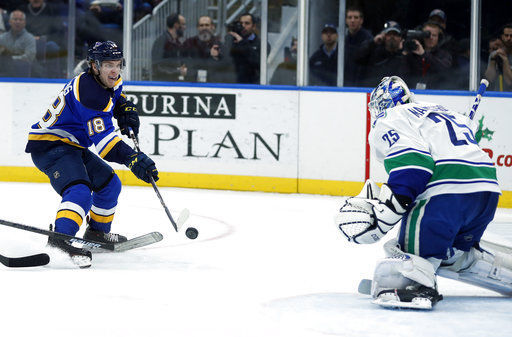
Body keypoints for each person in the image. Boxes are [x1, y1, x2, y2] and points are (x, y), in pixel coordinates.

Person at [335, 76, 509, 309]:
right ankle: (488, 265)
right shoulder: (444, 113)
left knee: (406, 251)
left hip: (447, 194)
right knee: (450, 252)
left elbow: (415, 167)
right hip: (487, 193)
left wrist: (386, 213)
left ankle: (413, 281)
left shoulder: (392, 117)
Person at [25, 41, 159, 268]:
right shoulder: (89, 94)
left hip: (72, 146)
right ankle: (61, 238)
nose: (114, 70)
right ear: (94, 66)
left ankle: (96, 233)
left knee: (110, 184)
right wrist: (132, 158)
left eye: (117, 64)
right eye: (108, 65)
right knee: (79, 191)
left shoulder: (108, 81)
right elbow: (106, 145)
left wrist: (123, 109)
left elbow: (116, 96)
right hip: (49, 146)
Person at [403, 21, 453, 89]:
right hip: (413, 92)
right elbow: (402, 74)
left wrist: (424, 54)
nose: (431, 38)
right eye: (427, 35)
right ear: (422, 36)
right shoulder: (413, 53)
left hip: (436, 93)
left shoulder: (444, 54)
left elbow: (444, 70)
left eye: (434, 35)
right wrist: (404, 52)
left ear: (439, 37)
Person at [355, 21, 406, 87]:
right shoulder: (375, 53)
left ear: (400, 38)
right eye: (389, 34)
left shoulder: (405, 55)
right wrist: (373, 42)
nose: (392, 37)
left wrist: (401, 53)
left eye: (395, 34)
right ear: (384, 36)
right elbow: (357, 58)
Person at [227, 12, 269, 84]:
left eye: (247, 23)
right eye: (241, 23)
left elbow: (258, 63)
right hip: (232, 83)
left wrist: (242, 43)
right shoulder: (231, 41)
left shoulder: (262, 44)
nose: (243, 26)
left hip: (252, 85)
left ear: (254, 26)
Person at [151, 13, 189, 81]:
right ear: (176, 25)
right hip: (162, 85)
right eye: (183, 24)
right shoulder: (161, 41)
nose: (185, 27)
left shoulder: (177, 42)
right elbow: (157, 67)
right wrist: (178, 71)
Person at [0, 10, 36, 77]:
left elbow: (29, 57)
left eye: (20, 20)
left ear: (24, 23)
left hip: (23, 73)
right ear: (10, 22)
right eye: (15, 19)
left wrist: (10, 59)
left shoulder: (30, 38)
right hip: (4, 73)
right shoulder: (2, 38)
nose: (18, 22)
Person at [344, 6, 372, 87]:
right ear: (346, 20)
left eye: (356, 17)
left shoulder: (368, 38)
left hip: (364, 82)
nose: (352, 20)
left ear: (361, 20)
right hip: (347, 82)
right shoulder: (343, 39)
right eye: (350, 17)